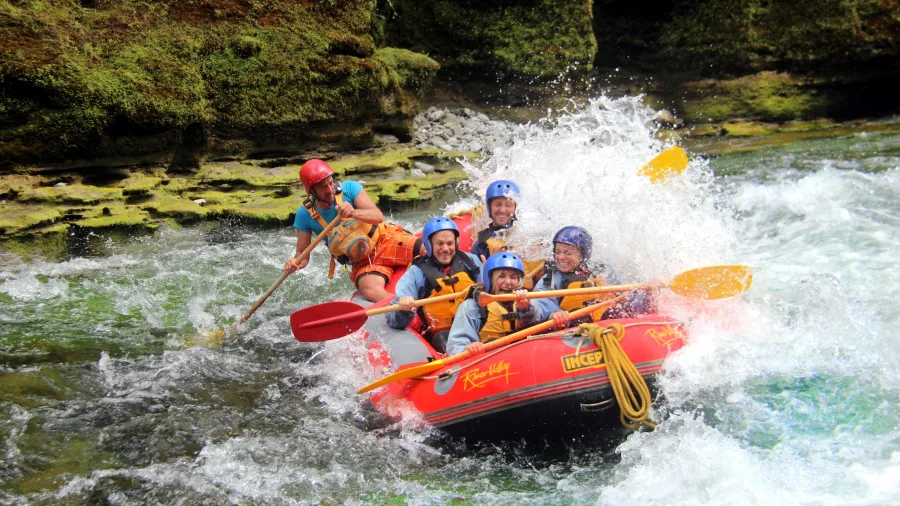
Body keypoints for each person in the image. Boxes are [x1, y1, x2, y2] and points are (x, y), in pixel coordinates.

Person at [283, 159, 425, 302]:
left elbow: (377, 216)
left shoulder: (350, 188)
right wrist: (294, 263)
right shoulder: (304, 215)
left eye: (331, 183)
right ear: (312, 191)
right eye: (323, 187)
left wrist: (354, 213)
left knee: (426, 250)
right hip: (362, 260)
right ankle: (406, 306)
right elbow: (302, 254)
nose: (330, 189)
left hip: (384, 239)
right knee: (370, 291)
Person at [386, 217, 483, 353]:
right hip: (444, 334)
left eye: (450, 243)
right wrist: (403, 309)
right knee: (442, 338)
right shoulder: (417, 272)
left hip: (476, 325)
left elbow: (491, 291)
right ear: (429, 244)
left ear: (456, 242)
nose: (445, 249)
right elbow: (392, 319)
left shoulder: (471, 261)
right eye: (439, 244)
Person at [535, 226, 653, 328]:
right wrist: (554, 313)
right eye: (557, 252)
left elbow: (626, 291)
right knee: (579, 316)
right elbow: (541, 301)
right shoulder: (552, 278)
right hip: (575, 325)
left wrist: (647, 291)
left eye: (567, 253)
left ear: (582, 255)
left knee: (629, 306)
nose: (560, 257)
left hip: (608, 321)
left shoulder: (603, 271)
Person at [445, 252, 553, 356]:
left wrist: (525, 309)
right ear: (490, 279)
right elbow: (457, 345)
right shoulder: (472, 307)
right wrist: (469, 349)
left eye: (513, 277)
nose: (508, 282)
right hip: (492, 363)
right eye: (501, 276)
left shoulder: (528, 300)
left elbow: (542, 325)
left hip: (525, 356)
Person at [470, 180, 543, 288]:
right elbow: (478, 285)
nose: (503, 210)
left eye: (508, 205)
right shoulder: (481, 244)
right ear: (490, 207)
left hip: (526, 296)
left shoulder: (530, 236)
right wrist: (491, 266)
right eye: (498, 204)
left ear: (515, 208)